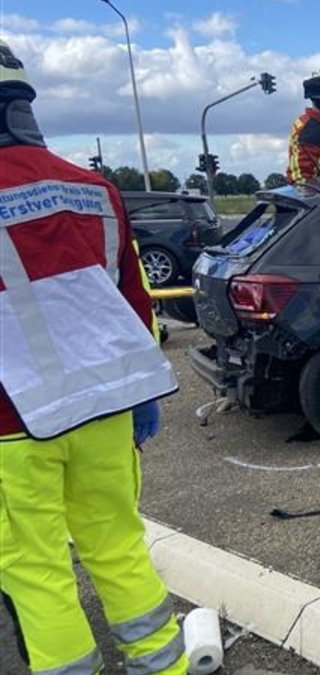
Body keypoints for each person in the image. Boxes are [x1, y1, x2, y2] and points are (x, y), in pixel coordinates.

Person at [0, 40, 185, 675]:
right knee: (118, 546)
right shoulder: (95, 190)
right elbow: (135, 304)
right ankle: (165, 668)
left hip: (11, 428)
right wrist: (143, 400)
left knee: (35, 570)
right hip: (106, 409)